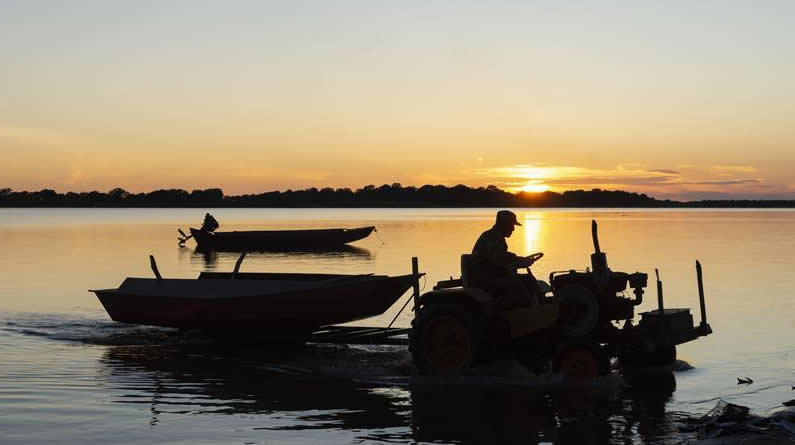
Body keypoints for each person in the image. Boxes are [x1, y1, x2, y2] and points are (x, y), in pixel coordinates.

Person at [470, 210, 542, 308]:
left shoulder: (495, 236)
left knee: (528, 280)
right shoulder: (492, 237)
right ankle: (523, 311)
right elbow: (500, 259)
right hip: (487, 278)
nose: (513, 229)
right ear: (504, 224)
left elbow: (503, 258)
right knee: (521, 288)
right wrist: (520, 261)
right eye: (512, 225)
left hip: (491, 275)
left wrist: (520, 261)